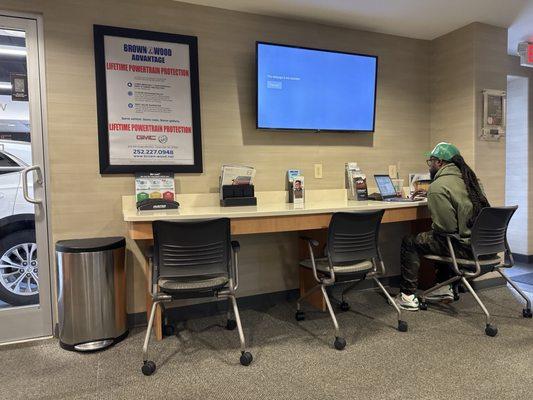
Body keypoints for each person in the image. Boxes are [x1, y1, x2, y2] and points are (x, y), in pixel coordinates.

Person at [396, 142, 490, 311]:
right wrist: (432, 195)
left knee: (410, 241)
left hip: (463, 249)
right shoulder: (472, 181)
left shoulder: (438, 186)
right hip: (485, 247)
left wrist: (435, 194)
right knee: (439, 238)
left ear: (439, 162)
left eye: (431, 161)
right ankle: (443, 287)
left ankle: (407, 296)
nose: (430, 165)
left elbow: (445, 228)